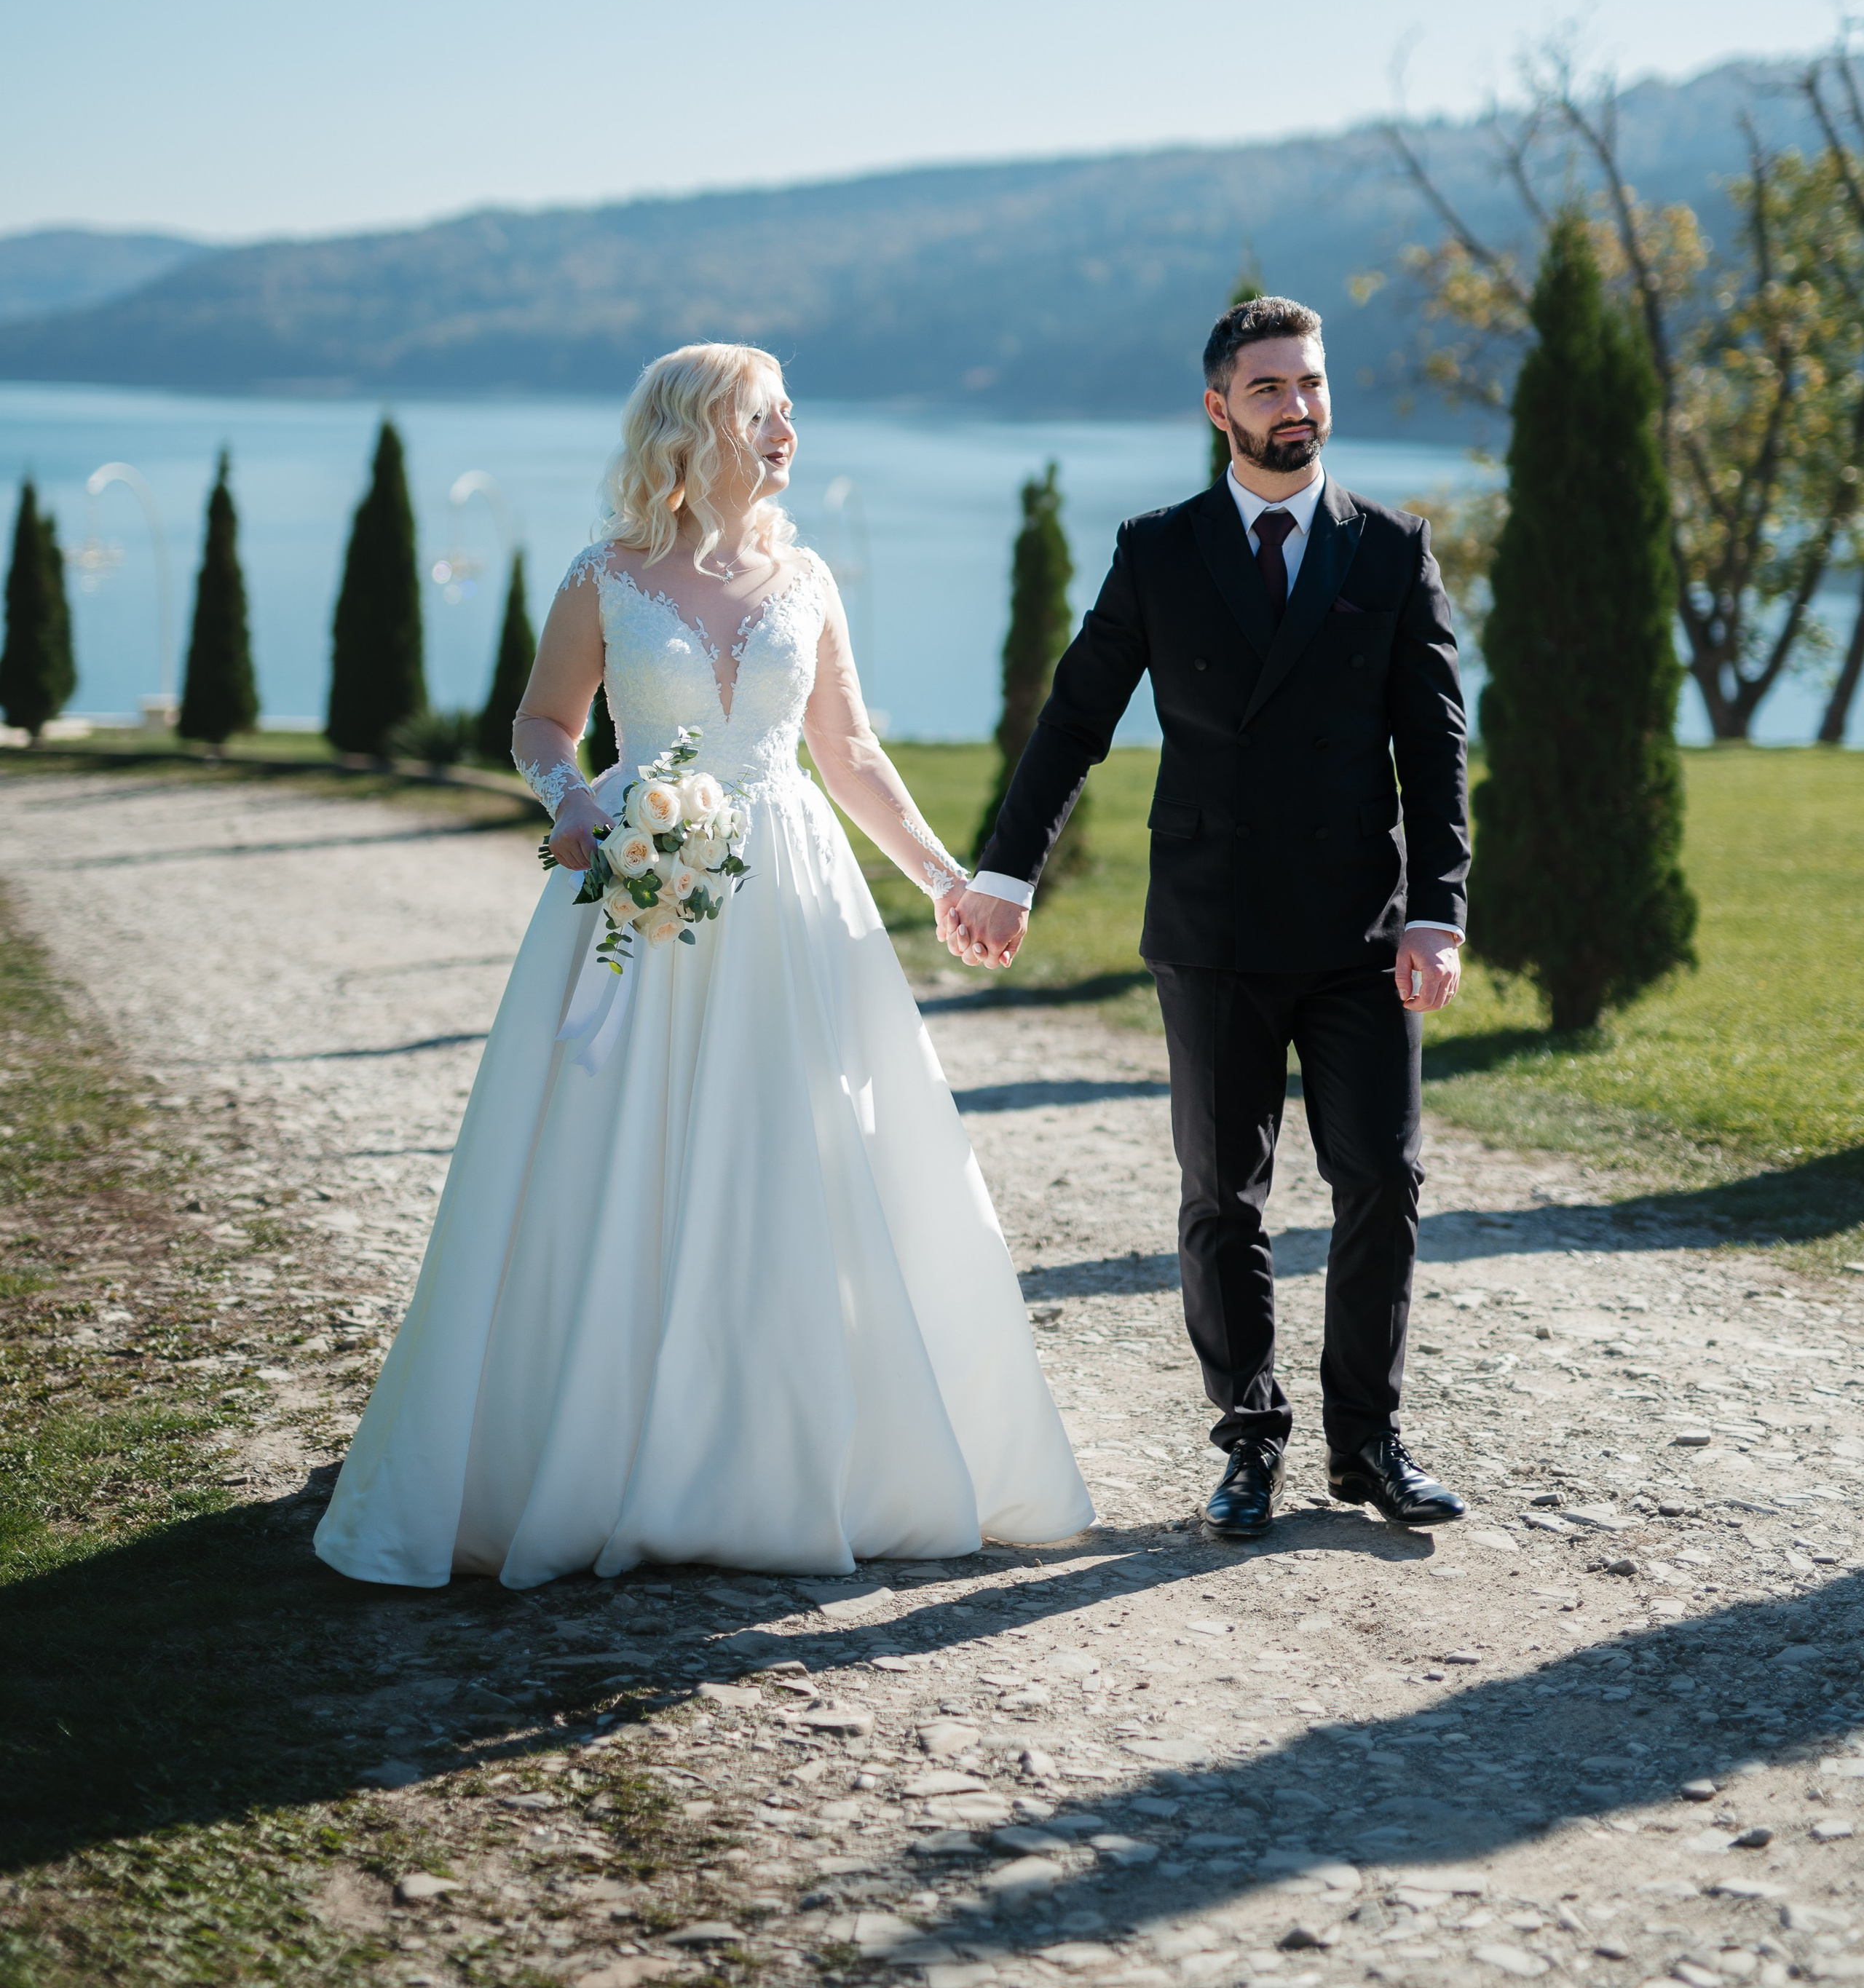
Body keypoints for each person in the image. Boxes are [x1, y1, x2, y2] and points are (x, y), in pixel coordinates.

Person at [316, 343, 1090, 1588]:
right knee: (623, 1156)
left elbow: (850, 756)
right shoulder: (606, 574)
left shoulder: (810, 575)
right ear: (693, 432)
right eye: (760, 414)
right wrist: (569, 799)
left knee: (809, 1150)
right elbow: (540, 722)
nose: (787, 432)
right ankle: (602, 1445)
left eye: (790, 412)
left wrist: (947, 879)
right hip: (642, 894)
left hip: (791, 894)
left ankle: (800, 1453)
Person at [944, 296, 1471, 1540]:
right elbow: (1077, 720)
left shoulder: (1393, 550)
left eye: (1313, 384)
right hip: (1212, 924)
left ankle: (1367, 1440)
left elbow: (1435, 748)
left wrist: (1438, 911)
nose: (1298, 407)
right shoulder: (1159, 551)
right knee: (1221, 1197)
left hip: (1360, 924)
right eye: (1272, 388)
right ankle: (1249, 1440)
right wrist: (1009, 874)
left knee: (1383, 1178)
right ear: (1218, 407)